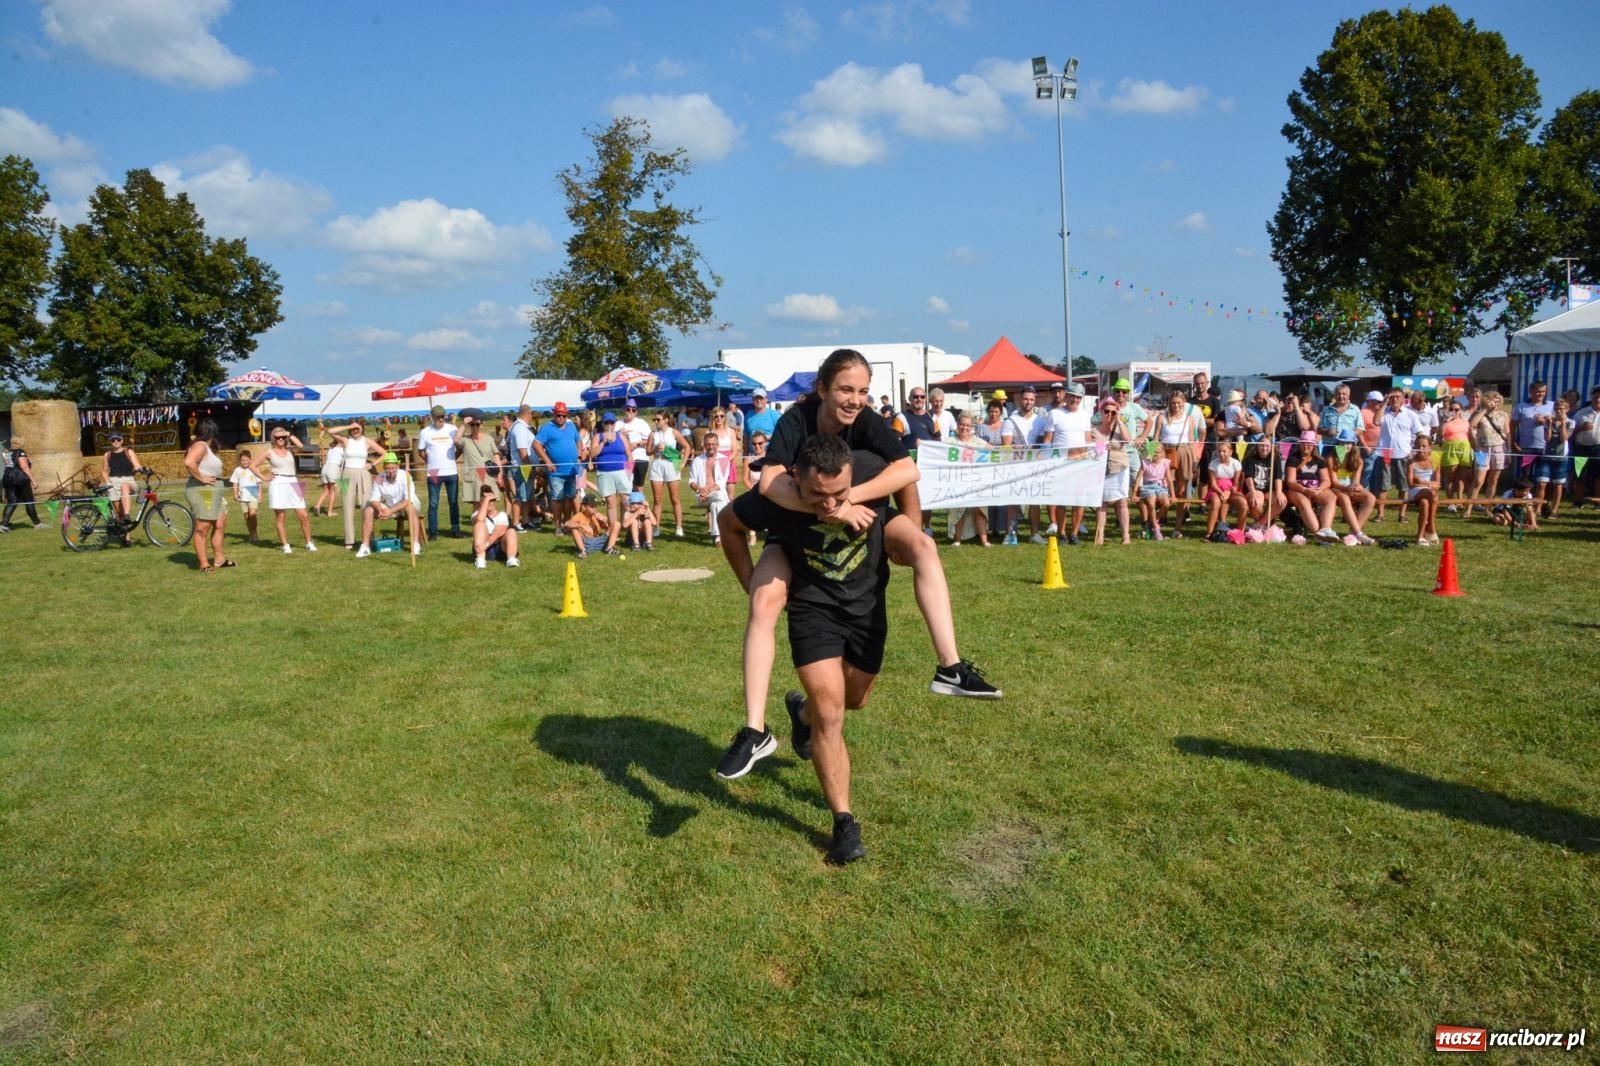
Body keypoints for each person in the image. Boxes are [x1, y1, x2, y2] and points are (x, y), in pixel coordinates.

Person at [714, 348, 998, 782]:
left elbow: (908, 473)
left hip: (864, 516)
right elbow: (769, 482)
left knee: (923, 547)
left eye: (863, 390)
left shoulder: (866, 421)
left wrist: (853, 503)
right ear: (822, 388)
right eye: (846, 389)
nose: (855, 399)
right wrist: (829, 508)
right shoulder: (797, 420)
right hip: (791, 528)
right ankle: (755, 730)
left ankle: (950, 667)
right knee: (765, 599)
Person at [716, 433, 889, 865]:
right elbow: (728, 523)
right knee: (831, 711)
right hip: (811, 607)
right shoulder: (777, 497)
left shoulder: (871, 469)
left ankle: (801, 714)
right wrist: (753, 584)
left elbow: (908, 483)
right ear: (796, 479)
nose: (829, 505)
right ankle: (844, 823)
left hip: (866, 605)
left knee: (855, 699)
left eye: (838, 494)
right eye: (817, 495)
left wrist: (913, 542)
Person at [322, 421, 384, 549]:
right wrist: (349, 426)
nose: (356, 430)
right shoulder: (345, 440)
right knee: (347, 506)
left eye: (358, 428)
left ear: (362, 429)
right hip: (346, 474)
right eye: (353, 428)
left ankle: (368, 537)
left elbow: (385, 453)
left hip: (363, 473)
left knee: (367, 506)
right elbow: (330, 431)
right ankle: (349, 540)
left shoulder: (367, 441)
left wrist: (372, 464)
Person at [1151, 388, 1205, 535]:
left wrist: (1195, 460)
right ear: (1169, 403)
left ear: (1184, 403)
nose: (1176, 406)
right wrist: (1150, 455)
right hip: (1166, 452)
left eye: (1179, 403)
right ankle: (1157, 521)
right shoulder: (1162, 417)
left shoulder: (1189, 419)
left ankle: (1178, 527)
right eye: (1173, 403)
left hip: (1184, 452)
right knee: (1163, 487)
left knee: (1181, 491)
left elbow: (1192, 440)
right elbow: (1156, 437)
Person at [1000, 384, 1049, 542]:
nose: (1028, 402)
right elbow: (1006, 446)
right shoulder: (1010, 421)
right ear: (1020, 399)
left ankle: (1034, 534)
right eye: (1026, 399)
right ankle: (1011, 533)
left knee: (1035, 501)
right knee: (1013, 500)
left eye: (1031, 399)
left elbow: (1043, 444)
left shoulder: (1040, 421)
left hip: (1035, 464)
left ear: (1035, 401)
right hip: (1016, 465)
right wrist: (1016, 447)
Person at [254, 428, 315, 553]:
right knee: (280, 516)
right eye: (277, 437)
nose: (280, 439)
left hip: (293, 481)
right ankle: (285, 545)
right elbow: (252, 465)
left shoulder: (291, 450)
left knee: (303, 515)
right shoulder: (269, 452)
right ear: (273, 439)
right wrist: (265, 478)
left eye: (282, 437)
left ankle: (309, 542)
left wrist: (289, 434)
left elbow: (301, 446)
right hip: (278, 483)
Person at [183, 418, 232, 572]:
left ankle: (219, 559)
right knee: (203, 527)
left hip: (213, 490)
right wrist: (201, 478)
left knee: (219, 523)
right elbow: (189, 462)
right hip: (203, 490)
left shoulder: (206, 448)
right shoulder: (201, 445)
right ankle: (204, 564)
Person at [1047, 381, 1093, 543]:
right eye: (1073, 396)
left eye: (1079, 397)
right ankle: (1062, 534)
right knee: (1061, 501)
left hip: (1080, 463)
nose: (1075, 400)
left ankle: (1074, 534)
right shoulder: (1055, 414)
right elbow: (1048, 440)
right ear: (1066, 395)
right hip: (1060, 463)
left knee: (1078, 501)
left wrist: (1101, 449)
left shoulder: (1085, 415)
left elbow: (1088, 440)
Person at [355, 452, 423, 557]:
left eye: (393, 468)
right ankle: (365, 546)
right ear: (384, 467)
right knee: (368, 509)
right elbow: (374, 499)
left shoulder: (406, 476)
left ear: (397, 466)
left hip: (409, 504)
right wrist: (379, 508)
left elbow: (407, 500)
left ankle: (415, 544)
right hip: (390, 506)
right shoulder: (379, 478)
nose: (390, 471)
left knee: (410, 508)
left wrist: (390, 511)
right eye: (388, 468)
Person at [533, 401, 582, 531]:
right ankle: (557, 526)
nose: (561, 418)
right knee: (557, 499)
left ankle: (566, 524)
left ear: (567, 415)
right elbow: (536, 444)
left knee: (569, 498)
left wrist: (578, 457)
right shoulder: (547, 428)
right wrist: (547, 461)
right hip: (556, 473)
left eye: (564, 415)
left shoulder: (571, 427)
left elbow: (579, 441)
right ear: (554, 414)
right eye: (558, 415)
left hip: (571, 471)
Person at [1283, 430, 1338, 542]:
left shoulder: (1320, 460)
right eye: (1303, 443)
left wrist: (1320, 488)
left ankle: (1325, 529)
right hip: (1297, 488)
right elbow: (1290, 481)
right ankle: (1319, 533)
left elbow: (1326, 480)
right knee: (1304, 502)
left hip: (1315, 487)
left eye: (1309, 443)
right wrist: (1304, 489)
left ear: (1314, 445)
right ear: (1300, 444)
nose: (1306, 445)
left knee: (1331, 498)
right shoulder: (1293, 459)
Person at [946, 413, 992, 547]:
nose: (964, 428)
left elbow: (991, 449)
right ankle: (957, 539)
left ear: (971, 426)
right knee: (957, 510)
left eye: (967, 425)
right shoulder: (950, 441)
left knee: (979, 509)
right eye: (962, 425)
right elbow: (937, 450)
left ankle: (984, 540)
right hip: (957, 481)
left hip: (975, 481)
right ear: (957, 425)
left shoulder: (977, 441)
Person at [416, 404, 461, 538]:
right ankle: (433, 532)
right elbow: (421, 451)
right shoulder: (425, 432)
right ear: (432, 417)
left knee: (453, 503)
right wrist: (430, 462)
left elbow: (459, 448)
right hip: (434, 472)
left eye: (442, 416)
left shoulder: (453, 429)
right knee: (433, 503)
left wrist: (453, 459)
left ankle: (455, 529)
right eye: (438, 417)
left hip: (451, 472)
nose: (441, 419)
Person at [588, 411, 631, 548]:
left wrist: (630, 473)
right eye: (606, 423)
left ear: (615, 423)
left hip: (621, 471)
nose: (609, 425)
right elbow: (592, 454)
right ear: (602, 424)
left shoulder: (621, 437)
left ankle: (630, 529)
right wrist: (603, 442)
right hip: (605, 472)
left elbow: (629, 455)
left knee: (626, 500)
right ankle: (613, 530)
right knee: (611, 503)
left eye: (612, 422)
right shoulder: (597, 436)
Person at [1092, 398, 1132, 545]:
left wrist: (1119, 421)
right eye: (1107, 411)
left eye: (1113, 412)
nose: (1109, 414)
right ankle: (1100, 535)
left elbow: (1127, 440)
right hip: (1101, 470)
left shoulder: (1120, 427)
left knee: (1122, 502)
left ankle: (1126, 536)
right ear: (1101, 412)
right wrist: (1101, 447)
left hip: (1119, 467)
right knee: (1101, 503)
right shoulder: (1094, 430)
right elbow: (1090, 449)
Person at [1466, 390, 1511, 517]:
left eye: (1497, 401)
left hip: (1499, 448)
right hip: (1482, 449)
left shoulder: (1503, 415)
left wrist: (1508, 450)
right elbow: (1472, 424)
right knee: (1478, 480)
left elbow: (1507, 433)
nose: (1495, 404)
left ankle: (1488, 508)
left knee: (1493, 480)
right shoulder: (1479, 413)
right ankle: (1468, 508)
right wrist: (1484, 410)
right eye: (1492, 401)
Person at [1328, 429, 1377, 544]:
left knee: (1371, 498)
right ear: (1338, 443)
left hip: (1349, 487)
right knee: (1344, 498)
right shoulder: (1331, 458)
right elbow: (1334, 482)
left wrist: (1356, 486)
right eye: (1343, 442)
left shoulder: (1358, 460)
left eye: (1349, 443)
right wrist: (1346, 488)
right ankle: (1359, 534)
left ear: (1353, 444)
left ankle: (1352, 534)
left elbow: (1356, 480)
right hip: (1335, 488)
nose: (1346, 445)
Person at [647, 411, 692, 537]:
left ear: (666, 420)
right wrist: (655, 449)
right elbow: (647, 451)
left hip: (671, 463)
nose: (656, 422)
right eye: (655, 419)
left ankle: (679, 527)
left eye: (658, 419)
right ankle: (656, 527)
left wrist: (683, 462)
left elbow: (687, 446)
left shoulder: (673, 432)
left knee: (675, 498)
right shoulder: (653, 434)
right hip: (657, 464)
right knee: (657, 499)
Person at [689, 429, 732, 544]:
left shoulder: (724, 459)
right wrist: (699, 489)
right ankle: (727, 531)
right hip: (701, 496)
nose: (711, 447)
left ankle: (717, 536)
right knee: (722, 496)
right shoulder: (697, 460)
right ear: (704, 444)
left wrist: (707, 492)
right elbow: (691, 481)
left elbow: (721, 483)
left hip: (713, 495)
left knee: (715, 504)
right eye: (708, 444)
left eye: (713, 444)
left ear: (718, 445)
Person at [1201, 432, 1246, 540]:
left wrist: (1229, 492)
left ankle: (1240, 533)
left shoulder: (1236, 464)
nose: (1221, 453)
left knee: (1243, 503)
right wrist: (1221, 493)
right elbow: (1212, 483)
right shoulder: (1213, 464)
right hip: (1216, 490)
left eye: (1224, 451)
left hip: (1231, 490)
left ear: (1231, 452)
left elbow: (1236, 483)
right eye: (1219, 451)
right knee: (1216, 503)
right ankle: (1209, 533)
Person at [458, 412, 498, 518]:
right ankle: (477, 526)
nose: (475, 427)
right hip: (474, 477)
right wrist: (464, 424)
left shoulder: (489, 438)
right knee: (477, 503)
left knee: (491, 502)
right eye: (472, 425)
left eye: (477, 424)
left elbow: (496, 456)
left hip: (489, 476)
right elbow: (456, 440)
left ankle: (492, 527)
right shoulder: (465, 440)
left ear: (482, 425)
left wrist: (500, 474)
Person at [1539, 396, 1573, 518]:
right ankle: (1538, 508)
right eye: (1557, 409)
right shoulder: (1549, 421)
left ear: (1567, 410)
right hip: (1547, 455)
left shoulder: (1571, 422)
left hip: (1561, 456)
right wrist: (1549, 424)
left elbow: (1563, 438)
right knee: (1542, 483)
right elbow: (1547, 439)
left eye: (1562, 409)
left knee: (1558, 484)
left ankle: (1554, 509)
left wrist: (1563, 423)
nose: (1559, 411)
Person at [1239, 439, 1284, 530]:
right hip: (1255, 488)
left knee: (1282, 502)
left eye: (1267, 446)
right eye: (1262, 445)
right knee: (1255, 502)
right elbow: (1248, 477)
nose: (1264, 448)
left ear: (1271, 447)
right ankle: (1266, 526)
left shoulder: (1275, 459)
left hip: (1269, 490)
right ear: (1257, 446)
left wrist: (1279, 493)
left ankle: (1259, 525)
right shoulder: (1250, 458)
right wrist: (1252, 492)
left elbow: (1278, 478)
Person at [471, 484, 519, 568]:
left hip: (496, 547)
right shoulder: (476, 514)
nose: (489, 503)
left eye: (491, 500)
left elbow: (498, 532)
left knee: (511, 531)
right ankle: (480, 560)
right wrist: (486, 500)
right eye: (486, 500)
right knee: (479, 525)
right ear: (481, 502)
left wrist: (486, 545)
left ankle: (511, 559)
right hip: (483, 550)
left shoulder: (502, 515)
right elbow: (480, 519)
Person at [0, 435, 42, 532]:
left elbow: (10, 465)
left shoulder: (6, 452)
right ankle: (37, 523)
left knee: (12, 501)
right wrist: (33, 481)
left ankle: (4, 525)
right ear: (20, 442)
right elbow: (24, 467)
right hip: (20, 479)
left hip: (8, 478)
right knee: (29, 501)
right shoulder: (21, 452)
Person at [101, 430, 144, 522]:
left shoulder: (129, 452)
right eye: (113, 440)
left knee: (124, 486)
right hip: (113, 482)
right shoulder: (107, 455)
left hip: (129, 481)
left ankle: (127, 515)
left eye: (118, 439)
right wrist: (108, 483)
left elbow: (137, 465)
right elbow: (104, 472)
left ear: (122, 440)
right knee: (119, 513)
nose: (116, 441)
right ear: (110, 442)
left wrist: (139, 469)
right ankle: (124, 534)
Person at [1406, 432, 1439, 545]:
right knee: (1432, 494)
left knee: (1425, 503)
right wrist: (1425, 484)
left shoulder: (1435, 460)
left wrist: (1422, 482)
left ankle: (1420, 536)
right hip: (1415, 491)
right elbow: (1410, 484)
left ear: (1430, 447)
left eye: (1424, 446)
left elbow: (1438, 484)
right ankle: (1431, 526)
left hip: (1428, 492)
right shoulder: (1411, 462)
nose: (1421, 449)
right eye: (1418, 446)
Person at [1137, 446, 1174, 539]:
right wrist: (1134, 493)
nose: (1155, 454)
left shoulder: (1165, 463)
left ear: (1162, 454)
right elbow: (1138, 478)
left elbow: (1169, 479)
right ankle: (1156, 528)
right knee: (1151, 503)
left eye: (1158, 452)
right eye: (1153, 452)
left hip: (1160, 486)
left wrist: (1173, 495)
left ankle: (1153, 522)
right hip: (1148, 486)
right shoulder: (1145, 462)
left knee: (1166, 503)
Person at [617, 399, 653, 491]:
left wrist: (637, 444)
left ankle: (641, 504)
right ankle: (627, 505)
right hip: (625, 459)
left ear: (636, 412)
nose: (631, 412)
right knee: (625, 486)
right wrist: (619, 434)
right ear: (624, 410)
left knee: (638, 487)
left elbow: (650, 439)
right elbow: (612, 440)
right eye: (628, 409)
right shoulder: (618, 424)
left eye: (634, 410)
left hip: (640, 458)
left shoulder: (641, 423)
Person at [565, 492, 613, 558]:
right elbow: (567, 524)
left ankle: (609, 549)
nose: (594, 509)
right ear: (584, 507)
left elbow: (608, 529)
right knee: (574, 529)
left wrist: (604, 522)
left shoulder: (597, 516)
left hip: (598, 540)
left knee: (616, 524)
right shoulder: (579, 515)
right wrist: (581, 526)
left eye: (595, 506)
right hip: (586, 543)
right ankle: (583, 551)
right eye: (592, 506)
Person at [1575, 385, 1600, 507]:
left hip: (1598, 448)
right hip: (1582, 448)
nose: (1598, 400)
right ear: (1591, 397)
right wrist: (1581, 427)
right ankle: (1577, 502)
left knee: (1598, 476)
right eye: (1596, 397)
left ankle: (1598, 502)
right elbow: (1571, 430)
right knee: (1580, 475)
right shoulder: (1582, 412)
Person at [229, 449, 261, 542]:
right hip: (243, 497)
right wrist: (235, 494)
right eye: (242, 460)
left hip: (253, 496)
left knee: (252, 514)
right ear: (240, 461)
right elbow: (235, 483)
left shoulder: (254, 469)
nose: (244, 462)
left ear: (250, 459)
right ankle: (251, 533)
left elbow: (259, 483)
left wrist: (260, 496)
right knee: (247, 517)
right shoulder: (237, 470)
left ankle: (255, 533)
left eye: (246, 460)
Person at [742, 388, 780, 463]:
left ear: (766, 399)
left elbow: (782, 434)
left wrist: (767, 438)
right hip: (752, 457)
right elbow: (745, 437)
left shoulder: (774, 415)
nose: (758, 400)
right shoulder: (748, 415)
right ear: (752, 400)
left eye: (761, 398)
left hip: (770, 455)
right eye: (756, 398)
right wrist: (745, 456)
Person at [314, 433, 342, 518]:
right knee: (332, 491)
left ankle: (317, 505)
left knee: (326, 490)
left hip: (325, 468)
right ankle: (330, 512)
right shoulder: (342, 450)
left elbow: (325, 460)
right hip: (333, 468)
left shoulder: (330, 449)